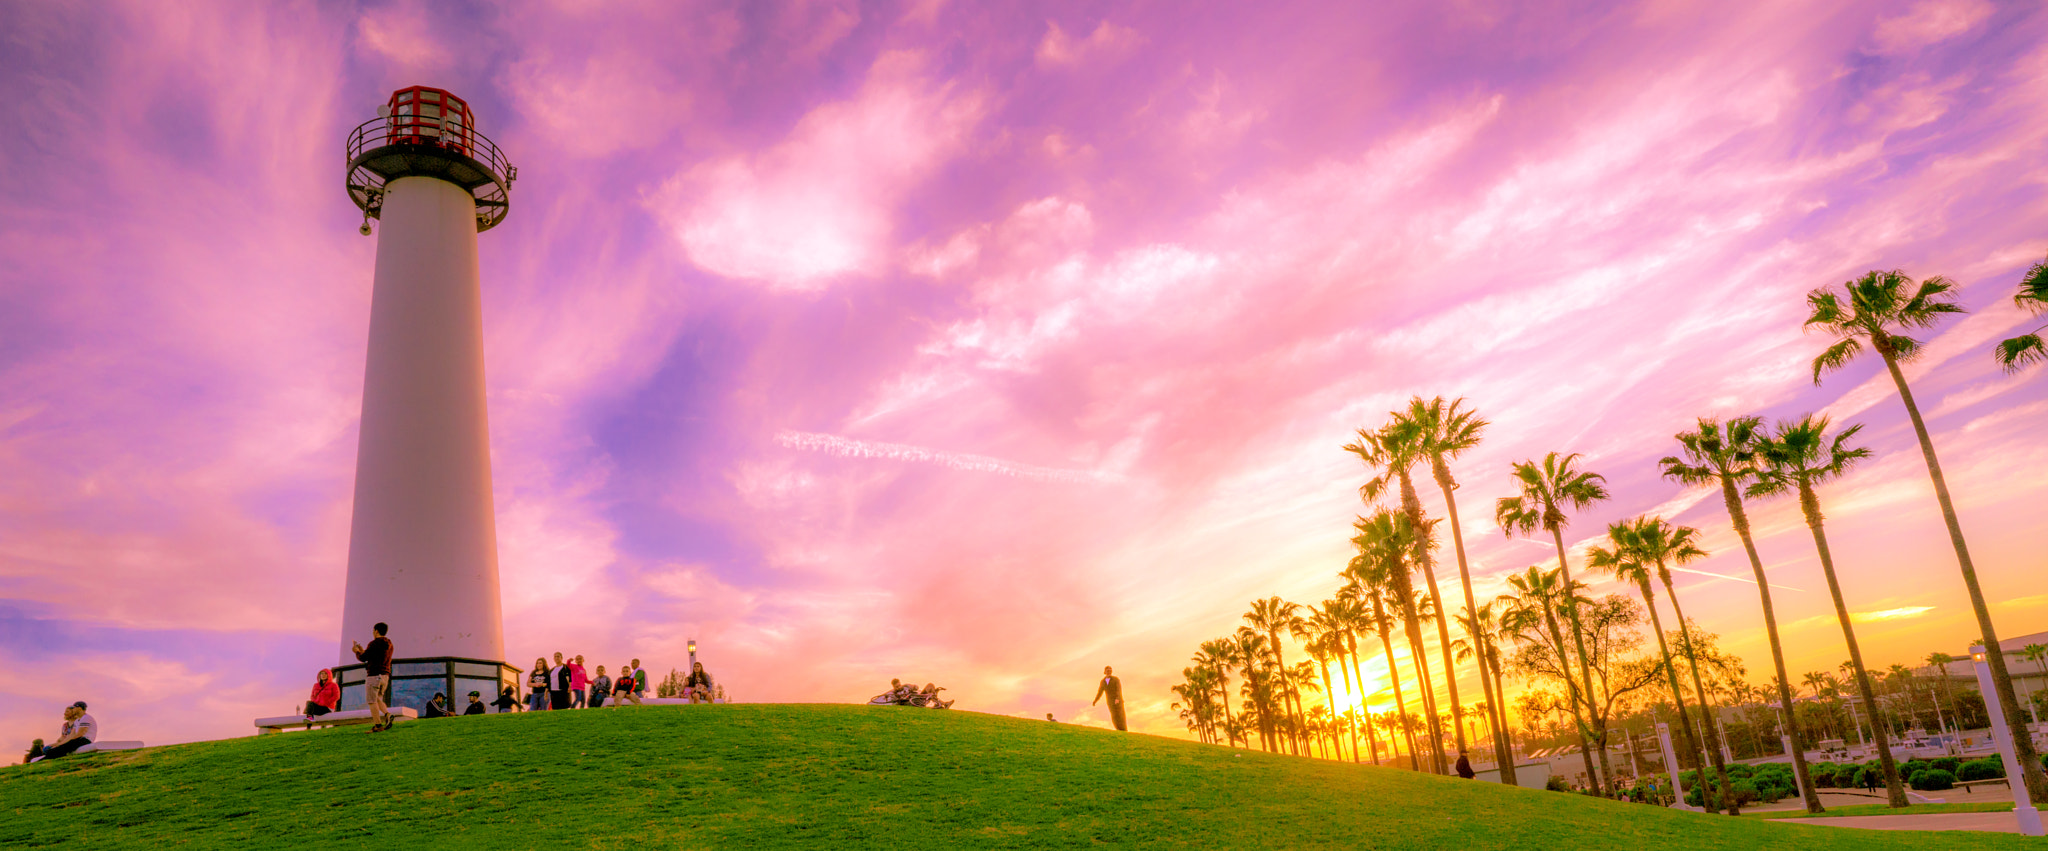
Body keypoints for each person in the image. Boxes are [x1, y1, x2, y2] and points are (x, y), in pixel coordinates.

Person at [351, 622, 395, 733]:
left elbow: (363, 658)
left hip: (374, 675)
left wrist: (356, 652)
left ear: (376, 631)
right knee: (377, 699)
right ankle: (387, 714)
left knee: (371, 701)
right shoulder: (389, 644)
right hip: (385, 676)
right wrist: (362, 650)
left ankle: (378, 725)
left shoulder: (374, 643)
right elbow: (374, 655)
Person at [1092, 666, 1126, 732]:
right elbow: (1100, 692)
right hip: (1110, 701)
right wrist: (1095, 701)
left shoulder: (1116, 679)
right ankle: (1118, 729)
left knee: (1120, 715)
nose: (1109, 671)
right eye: (1107, 670)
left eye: (1110, 670)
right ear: (1105, 672)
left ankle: (1124, 729)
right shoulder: (1103, 681)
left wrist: (1117, 698)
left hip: (1118, 700)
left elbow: (1118, 690)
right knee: (1114, 716)